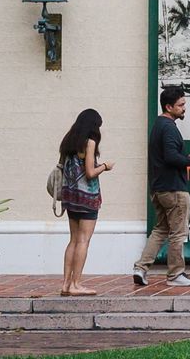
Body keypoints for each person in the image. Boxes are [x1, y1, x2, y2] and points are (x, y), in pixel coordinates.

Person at [132, 86, 190, 288]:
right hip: (174, 189)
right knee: (178, 233)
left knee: (160, 230)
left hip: (158, 188)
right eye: (180, 105)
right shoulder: (169, 127)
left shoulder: (158, 125)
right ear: (168, 106)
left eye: (184, 104)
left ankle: (141, 268)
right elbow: (171, 157)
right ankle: (175, 275)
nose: (184, 108)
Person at [54, 109, 111, 296]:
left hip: (70, 197)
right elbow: (90, 173)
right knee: (84, 240)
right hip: (87, 197)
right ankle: (76, 284)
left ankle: (65, 284)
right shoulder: (90, 142)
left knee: (73, 240)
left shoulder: (68, 141)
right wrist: (104, 166)